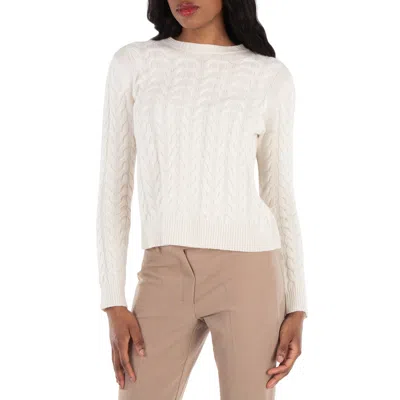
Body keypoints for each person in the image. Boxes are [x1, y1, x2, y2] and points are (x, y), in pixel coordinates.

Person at [96, 0, 308, 399]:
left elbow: (278, 195)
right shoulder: (134, 63)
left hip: (250, 274)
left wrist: (297, 305)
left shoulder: (269, 76)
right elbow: (114, 187)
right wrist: (113, 302)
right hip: (164, 272)